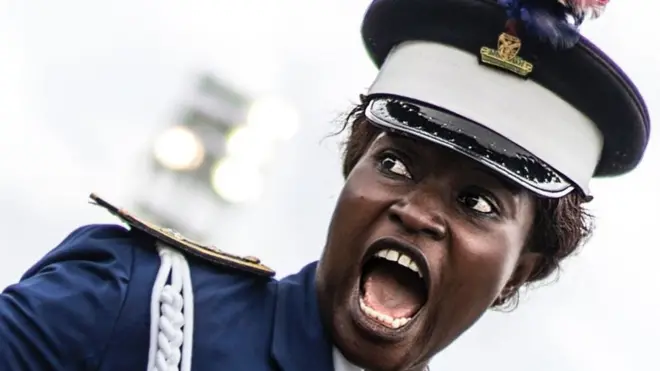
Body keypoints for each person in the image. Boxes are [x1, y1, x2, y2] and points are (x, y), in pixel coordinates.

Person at [0, 0, 651, 370]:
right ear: (351, 170)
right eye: (395, 163)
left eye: (477, 202)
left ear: (521, 269)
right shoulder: (133, 303)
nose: (416, 210)